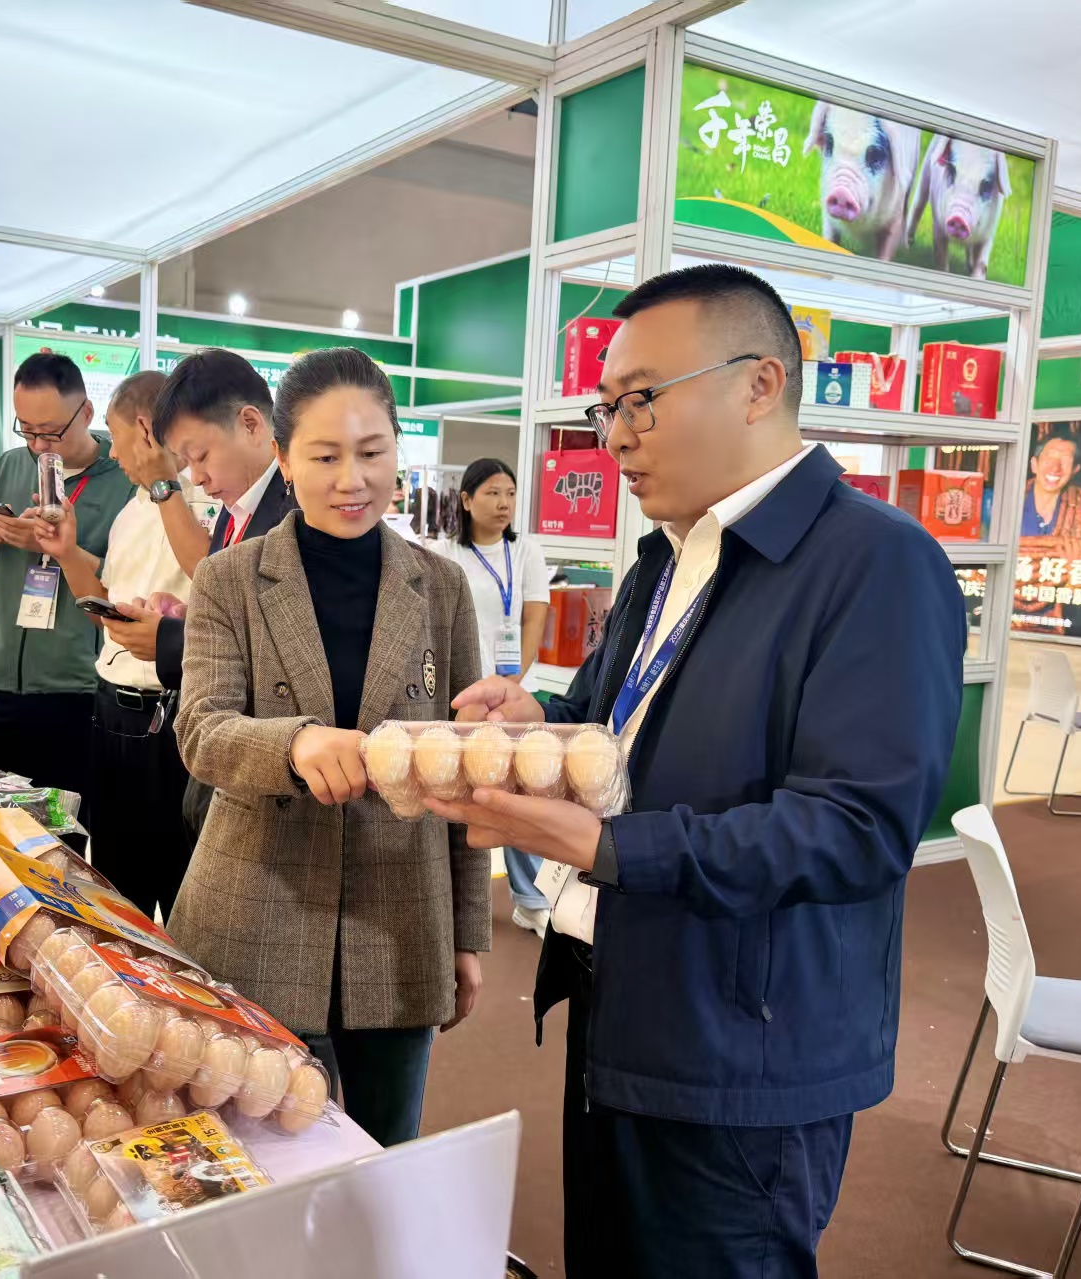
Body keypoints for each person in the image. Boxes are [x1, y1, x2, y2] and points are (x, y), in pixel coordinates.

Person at [429, 265, 965, 1277]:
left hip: (743, 1047)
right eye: (604, 406)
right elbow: (606, 718)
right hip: (623, 999)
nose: (615, 434)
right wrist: (536, 719)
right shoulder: (664, 558)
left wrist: (604, 845)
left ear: (757, 384)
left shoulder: (873, 563)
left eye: (640, 399)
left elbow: (854, 827)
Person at [170, 347, 489, 1148]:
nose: (353, 478)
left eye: (374, 452)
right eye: (325, 455)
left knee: (387, 1155)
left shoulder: (439, 587)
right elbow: (201, 730)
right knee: (259, 1158)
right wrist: (295, 743)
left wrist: (468, 931)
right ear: (282, 457)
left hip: (401, 916)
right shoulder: (231, 580)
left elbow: (464, 768)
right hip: (257, 908)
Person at [33, 369, 210, 919]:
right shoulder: (132, 508)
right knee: (115, 888)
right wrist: (66, 554)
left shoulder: (203, 499)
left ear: (145, 428)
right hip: (111, 708)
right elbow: (107, 600)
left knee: (184, 895)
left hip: (172, 717)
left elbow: (210, 573)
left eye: (117, 437)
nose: (116, 455)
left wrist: (165, 487)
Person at [0, 352, 131, 808]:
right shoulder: (10, 466)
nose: (39, 445)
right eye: (27, 430)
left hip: (73, 688)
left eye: (51, 432)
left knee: (60, 836)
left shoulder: (125, 477)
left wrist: (62, 549)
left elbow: (127, 587)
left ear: (87, 413)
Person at [100, 349, 292, 694]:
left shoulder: (295, 513)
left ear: (251, 424)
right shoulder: (236, 507)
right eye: (188, 461)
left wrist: (171, 639)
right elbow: (240, 612)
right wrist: (189, 616)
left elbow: (286, 648)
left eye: (201, 456)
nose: (198, 476)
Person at [425, 457, 552, 938]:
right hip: (459, 694)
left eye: (511, 494)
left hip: (509, 694)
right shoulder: (444, 555)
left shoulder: (526, 554)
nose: (504, 504)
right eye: (493, 493)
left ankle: (530, 897)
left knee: (516, 788)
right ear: (466, 500)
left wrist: (512, 683)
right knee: (456, 791)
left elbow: (533, 618)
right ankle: (448, 899)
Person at [1021, 430, 1081, 543]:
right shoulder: (1003, 502)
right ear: (1034, 464)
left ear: (1075, 470)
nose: (1055, 468)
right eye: (1049, 458)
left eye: (1065, 460)